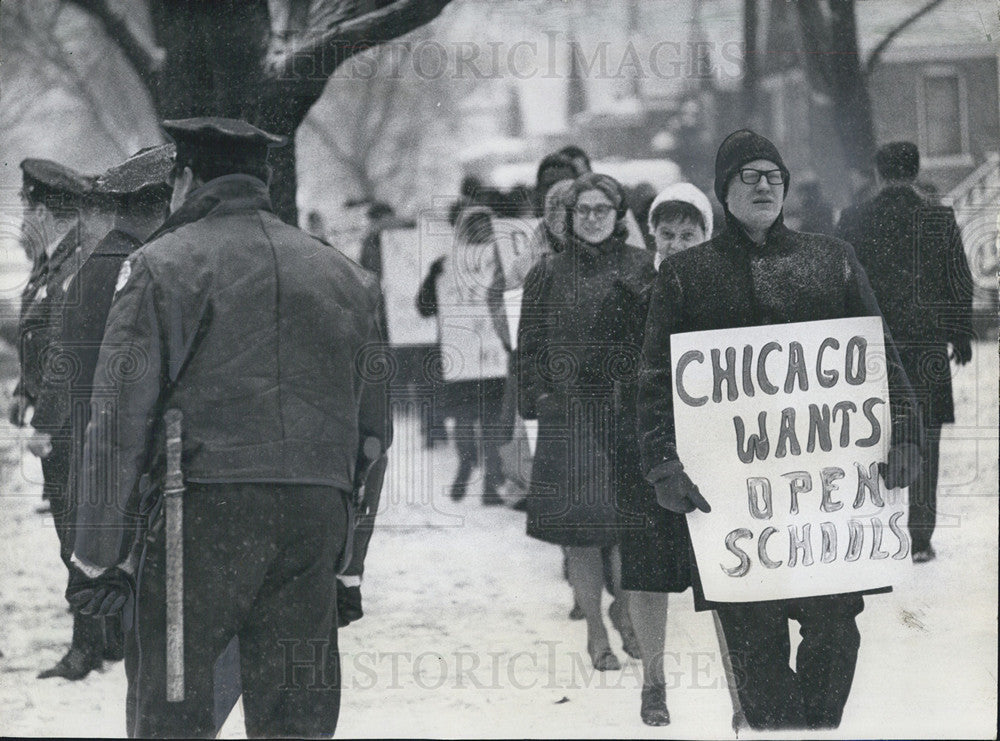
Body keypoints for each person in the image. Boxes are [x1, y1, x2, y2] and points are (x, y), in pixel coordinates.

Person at [68, 117, 392, 738]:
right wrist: (350, 564)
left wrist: (94, 557)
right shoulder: (349, 278)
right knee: (296, 718)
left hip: (204, 516)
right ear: (264, 180)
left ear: (187, 179)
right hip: (314, 518)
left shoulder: (161, 266)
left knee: (175, 711)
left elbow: (116, 424)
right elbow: (373, 436)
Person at [636, 130, 922, 731]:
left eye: (773, 175)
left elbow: (877, 356)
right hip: (734, 510)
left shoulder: (831, 258)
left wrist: (907, 437)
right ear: (724, 190)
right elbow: (655, 379)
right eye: (749, 176)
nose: (764, 185)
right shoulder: (687, 275)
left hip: (826, 506)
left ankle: (808, 731)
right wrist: (664, 465)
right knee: (756, 653)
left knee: (836, 635)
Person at [518, 172, 650, 670]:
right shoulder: (547, 272)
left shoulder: (642, 267)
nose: (593, 218)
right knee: (582, 532)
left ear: (618, 216)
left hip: (625, 415)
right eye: (583, 210)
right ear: (568, 218)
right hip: (569, 416)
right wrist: (539, 400)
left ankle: (625, 611)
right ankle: (596, 630)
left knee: (628, 527)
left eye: (602, 209)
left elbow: (656, 342)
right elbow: (528, 345)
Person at [606, 182, 713, 725]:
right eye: (666, 234)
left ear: (706, 236)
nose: (675, 244)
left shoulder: (725, 291)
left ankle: (743, 688)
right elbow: (610, 373)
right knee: (647, 572)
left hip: (718, 449)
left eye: (687, 235)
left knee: (725, 567)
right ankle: (654, 683)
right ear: (651, 234)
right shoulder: (628, 292)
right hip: (646, 448)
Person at [837, 141, 974, 563]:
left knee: (872, 436)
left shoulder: (855, 218)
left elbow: (837, 280)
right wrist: (960, 335)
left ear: (878, 172)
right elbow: (959, 280)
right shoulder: (938, 215)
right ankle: (919, 536)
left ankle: (878, 529)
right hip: (926, 345)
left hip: (872, 346)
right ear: (915, 171)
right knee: (926, 435)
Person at [417, 205, 507, 505]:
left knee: (466, 417)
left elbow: (423, 306)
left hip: (463, 355)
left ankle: (467, 466)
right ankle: (491, 483)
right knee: (492, 420)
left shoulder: (444, 265)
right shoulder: (503, 264)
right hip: (489, 355)